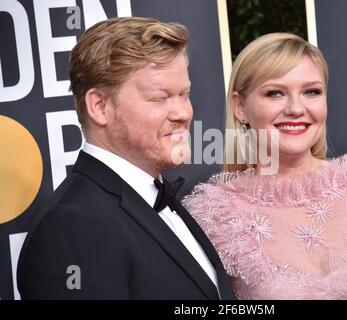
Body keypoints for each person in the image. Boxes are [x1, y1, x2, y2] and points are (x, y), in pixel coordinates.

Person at [183, 33, 347, 299]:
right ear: (240, 107)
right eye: (275, 93)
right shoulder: (215, 214)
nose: (296, 108)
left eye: (311, 92)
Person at [17, 17, 234, 300]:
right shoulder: (72, 228)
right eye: (159, 98)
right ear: (99, 106)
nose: (183, 113)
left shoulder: (155, 197)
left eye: (185, 94)